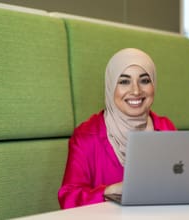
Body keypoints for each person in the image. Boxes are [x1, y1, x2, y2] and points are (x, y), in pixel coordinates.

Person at [58, 48, 177, 209]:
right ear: (110, 86)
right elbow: (68, 199)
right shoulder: (86, 136)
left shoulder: (165, 128)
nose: (136, 90)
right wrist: (111, 191)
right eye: (124, 81)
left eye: (144, 80)